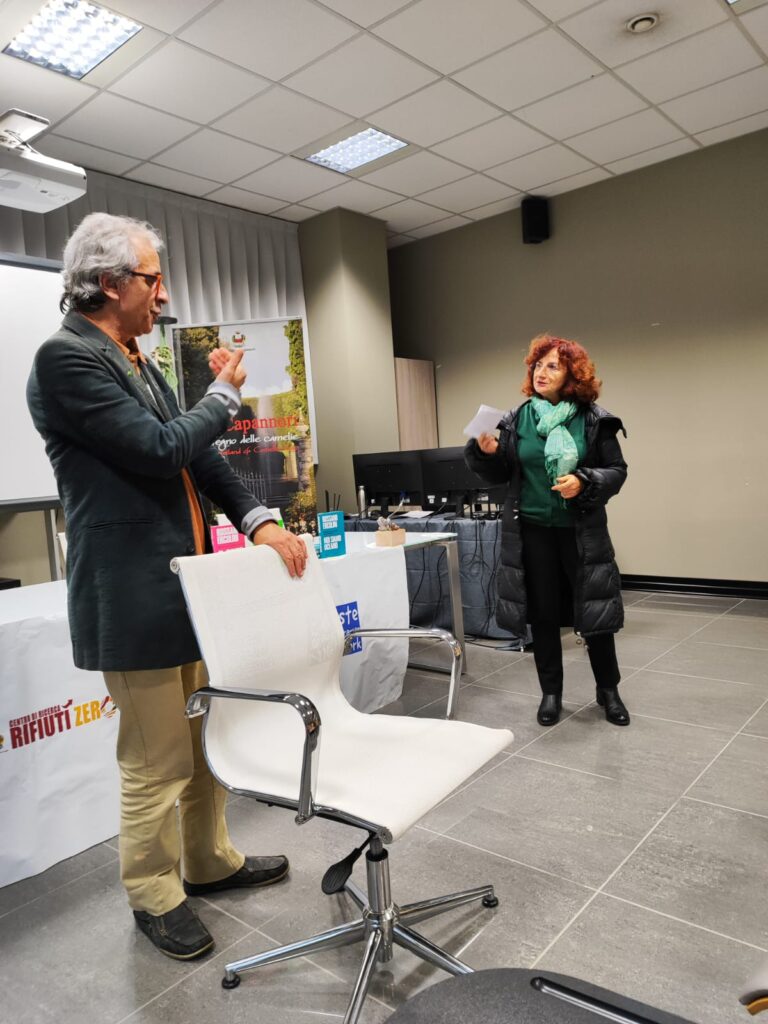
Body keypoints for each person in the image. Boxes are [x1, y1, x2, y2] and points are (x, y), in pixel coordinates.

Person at [27, 212, 309, 961]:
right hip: (131, 595)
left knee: (201, 737)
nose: (164, 295)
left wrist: (258, 520)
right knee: (156, 760)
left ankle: (207, 860)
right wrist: (223, 396)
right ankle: (153, 891)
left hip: (187, 589)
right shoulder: (65, 359)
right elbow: (159, 449)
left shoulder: (133, 359)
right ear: (109, 281)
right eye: (153, 279)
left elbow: (196, 457)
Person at [465, 334, 629, 728]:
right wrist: (487, 454)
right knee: (543, 614)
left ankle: (608, 690)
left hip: (581, 531)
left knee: (594, 612)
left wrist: (584, 481)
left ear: (573, 374)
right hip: (532, 531)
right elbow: (503, 474)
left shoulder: (593, 419)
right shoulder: (517, 419)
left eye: (552, 365)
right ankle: (550, 693)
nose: (541, 372)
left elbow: (616, 471)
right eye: (537, 365)